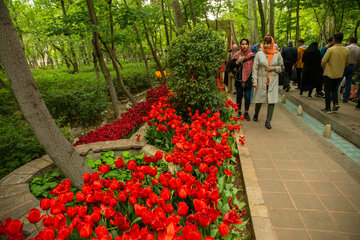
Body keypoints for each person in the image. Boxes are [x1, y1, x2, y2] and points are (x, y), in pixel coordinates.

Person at [252, 36, 284, 129]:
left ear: (272, 44)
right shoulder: (259, 54)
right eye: (264, 43)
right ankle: (256, 113)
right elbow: (255, 68)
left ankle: (268, 120)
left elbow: (282, 67)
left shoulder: (277, 54)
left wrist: (273, 68)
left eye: (268, 43)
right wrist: (254, 81)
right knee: (259, 99)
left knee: (271, 101)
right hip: (261, 79)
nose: (266, 45)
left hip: (273, 81)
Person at [321, 32, 350, 113]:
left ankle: (328, 108)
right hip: (339, 73)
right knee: (334, 89)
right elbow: (347, 63)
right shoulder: (346, 50)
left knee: (327, 90)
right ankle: (336, 103)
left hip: (329, 73)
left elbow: (323, 61)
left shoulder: (330, 49)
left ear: (334, 40)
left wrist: (325, 68)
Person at [230, 38, 256, 120]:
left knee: (247, 97)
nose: (244, 46)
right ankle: (239, 111)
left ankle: (246, 112)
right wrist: (238, 61)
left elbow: (255, 68)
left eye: (245, 44)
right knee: (239, 96)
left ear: (248, 45)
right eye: (242, 44)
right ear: (240, 45)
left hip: (248, 80)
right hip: (239, 80)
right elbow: (231, 66)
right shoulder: (236, 55)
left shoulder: (252, 56)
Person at [342, 37, 360, 103]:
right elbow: (358, 61)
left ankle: (334, 96)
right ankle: (345, 98)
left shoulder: (347, 48)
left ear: (350, 41)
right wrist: (355, 69)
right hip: (352, 66)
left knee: (339, 80)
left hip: (345, 65)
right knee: (348, 83)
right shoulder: (359, 49)